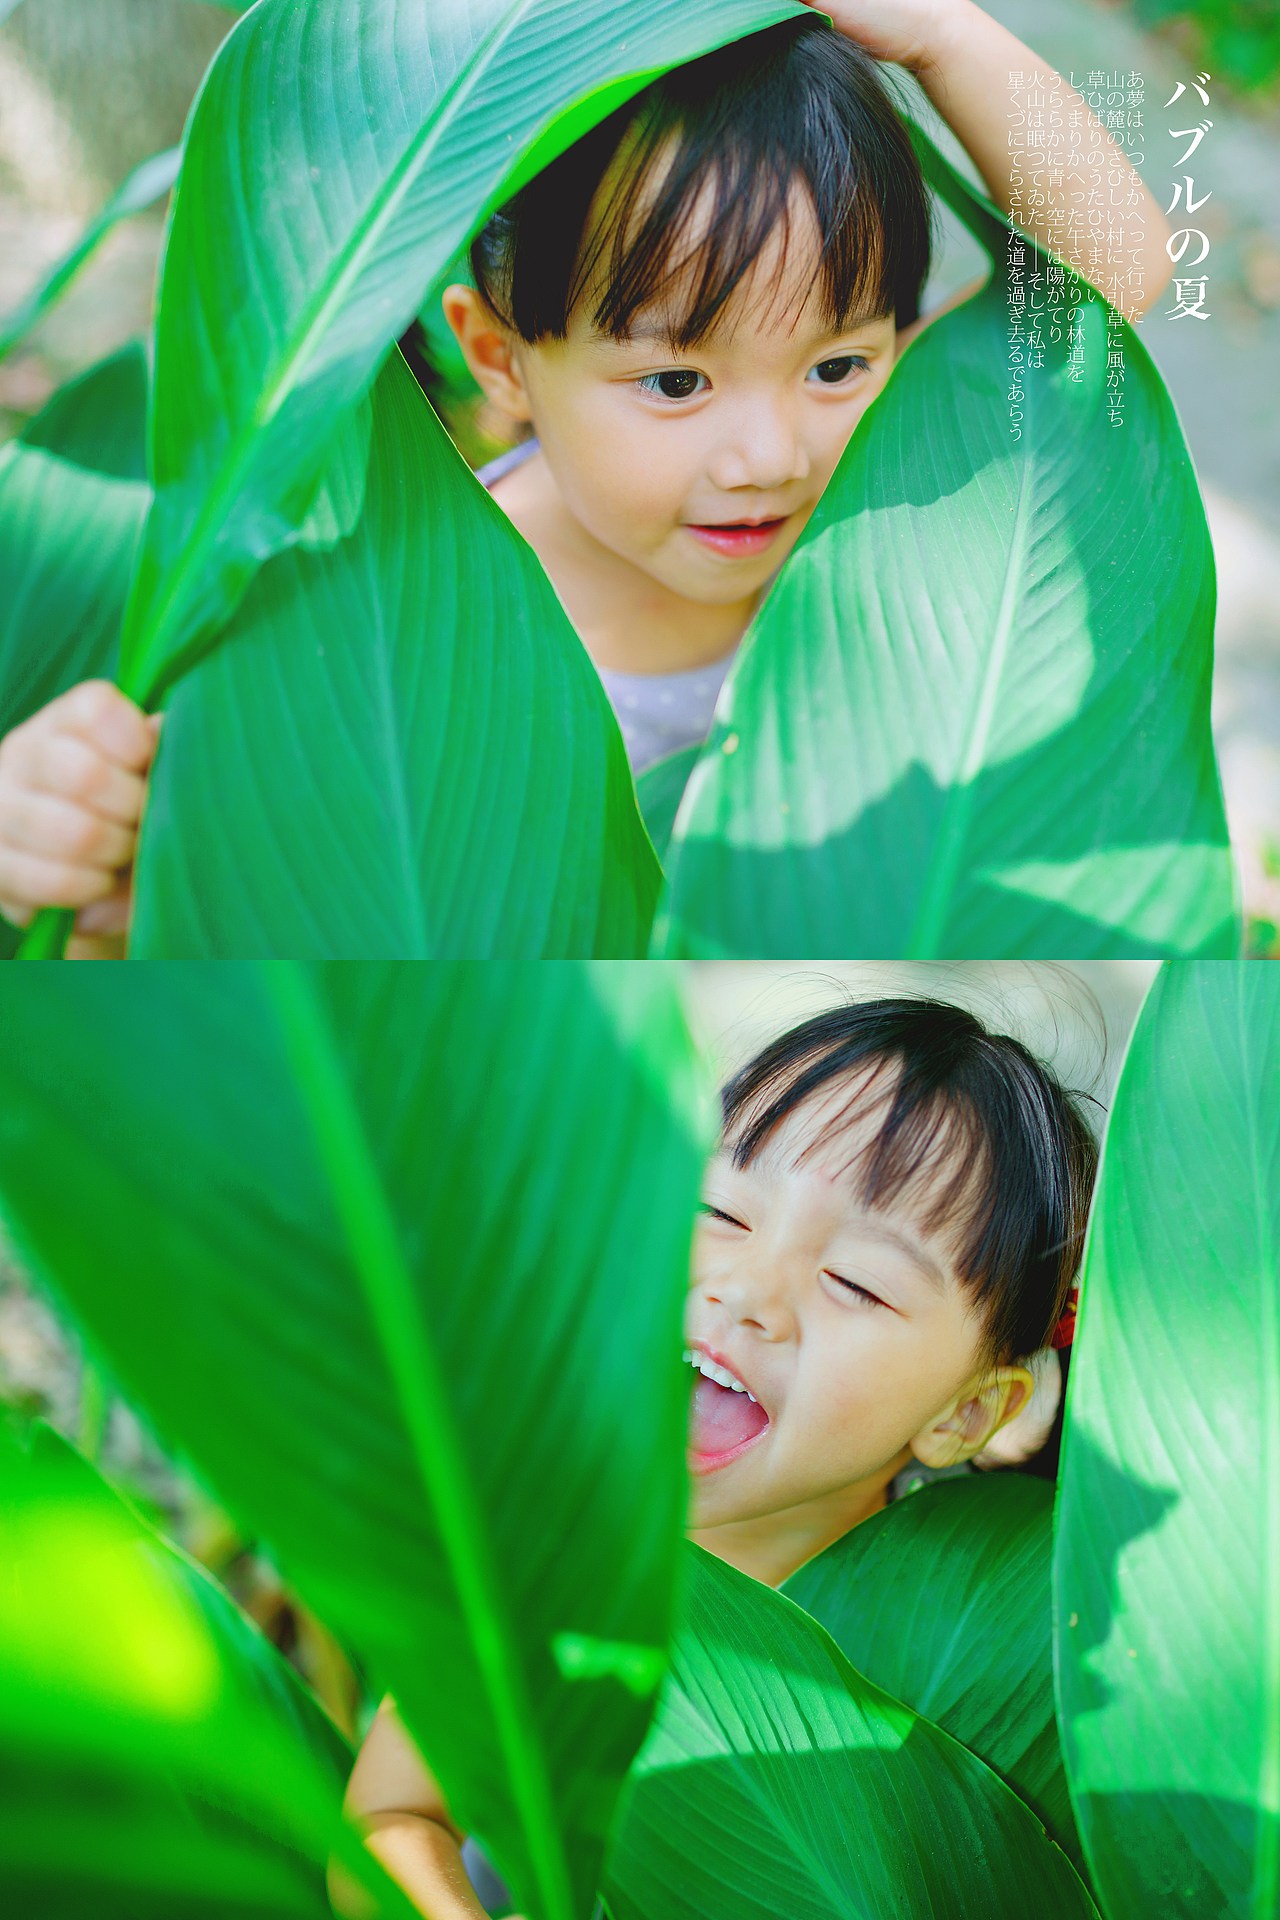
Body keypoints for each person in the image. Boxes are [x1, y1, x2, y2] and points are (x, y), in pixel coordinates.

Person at [0, 1, 1174, 954]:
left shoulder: (876, 501)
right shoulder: (368, 628)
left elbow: (1102, 285)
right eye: (674, 384)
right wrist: (78, 858)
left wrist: (941, 37)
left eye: (836, 362)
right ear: (499, 360)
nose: (769, 457)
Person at [328, 996, 1098, 1920]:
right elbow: (393, 1817)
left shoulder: (970, 1660)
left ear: (968, 1409)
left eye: (854, 1281)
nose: (744, 1290)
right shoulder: (544, 1540)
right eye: (719, 1209)